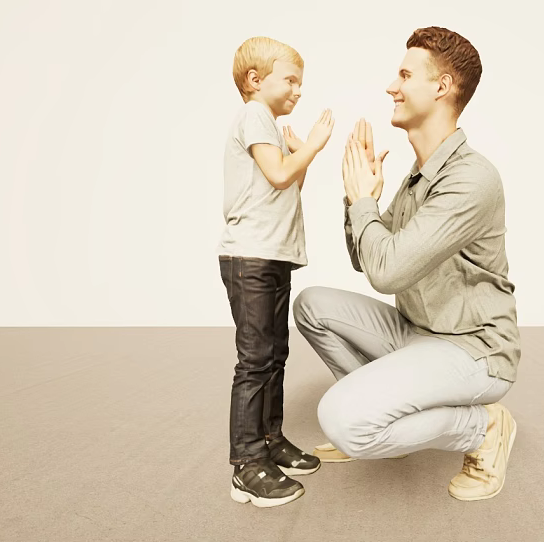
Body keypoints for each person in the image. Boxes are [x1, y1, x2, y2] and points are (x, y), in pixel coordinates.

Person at [293, 26, 521, 501]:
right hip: (415, 331)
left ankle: (482, 430)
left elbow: (388, 272)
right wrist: (360, 198)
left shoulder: (471, 179)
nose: (390, 87)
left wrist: (363, 202)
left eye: (404, 75)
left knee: (341, 421)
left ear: (441, 87)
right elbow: (365, 260)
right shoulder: (417, 176)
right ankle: (389, 421)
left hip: (473, 350)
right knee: (312, 305)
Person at [217, 36, 334, 508]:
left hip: (273, 255)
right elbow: (281, 174)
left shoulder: (268, 124)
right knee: (255, 360)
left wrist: (302, 155)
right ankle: (246, 464)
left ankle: (270, 440)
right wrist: (316, 147)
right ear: (255, 80)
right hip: (250, 257)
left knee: (275, 354)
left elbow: (289, 181)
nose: (299, 90)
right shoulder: (253, 116)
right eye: (290, 79)